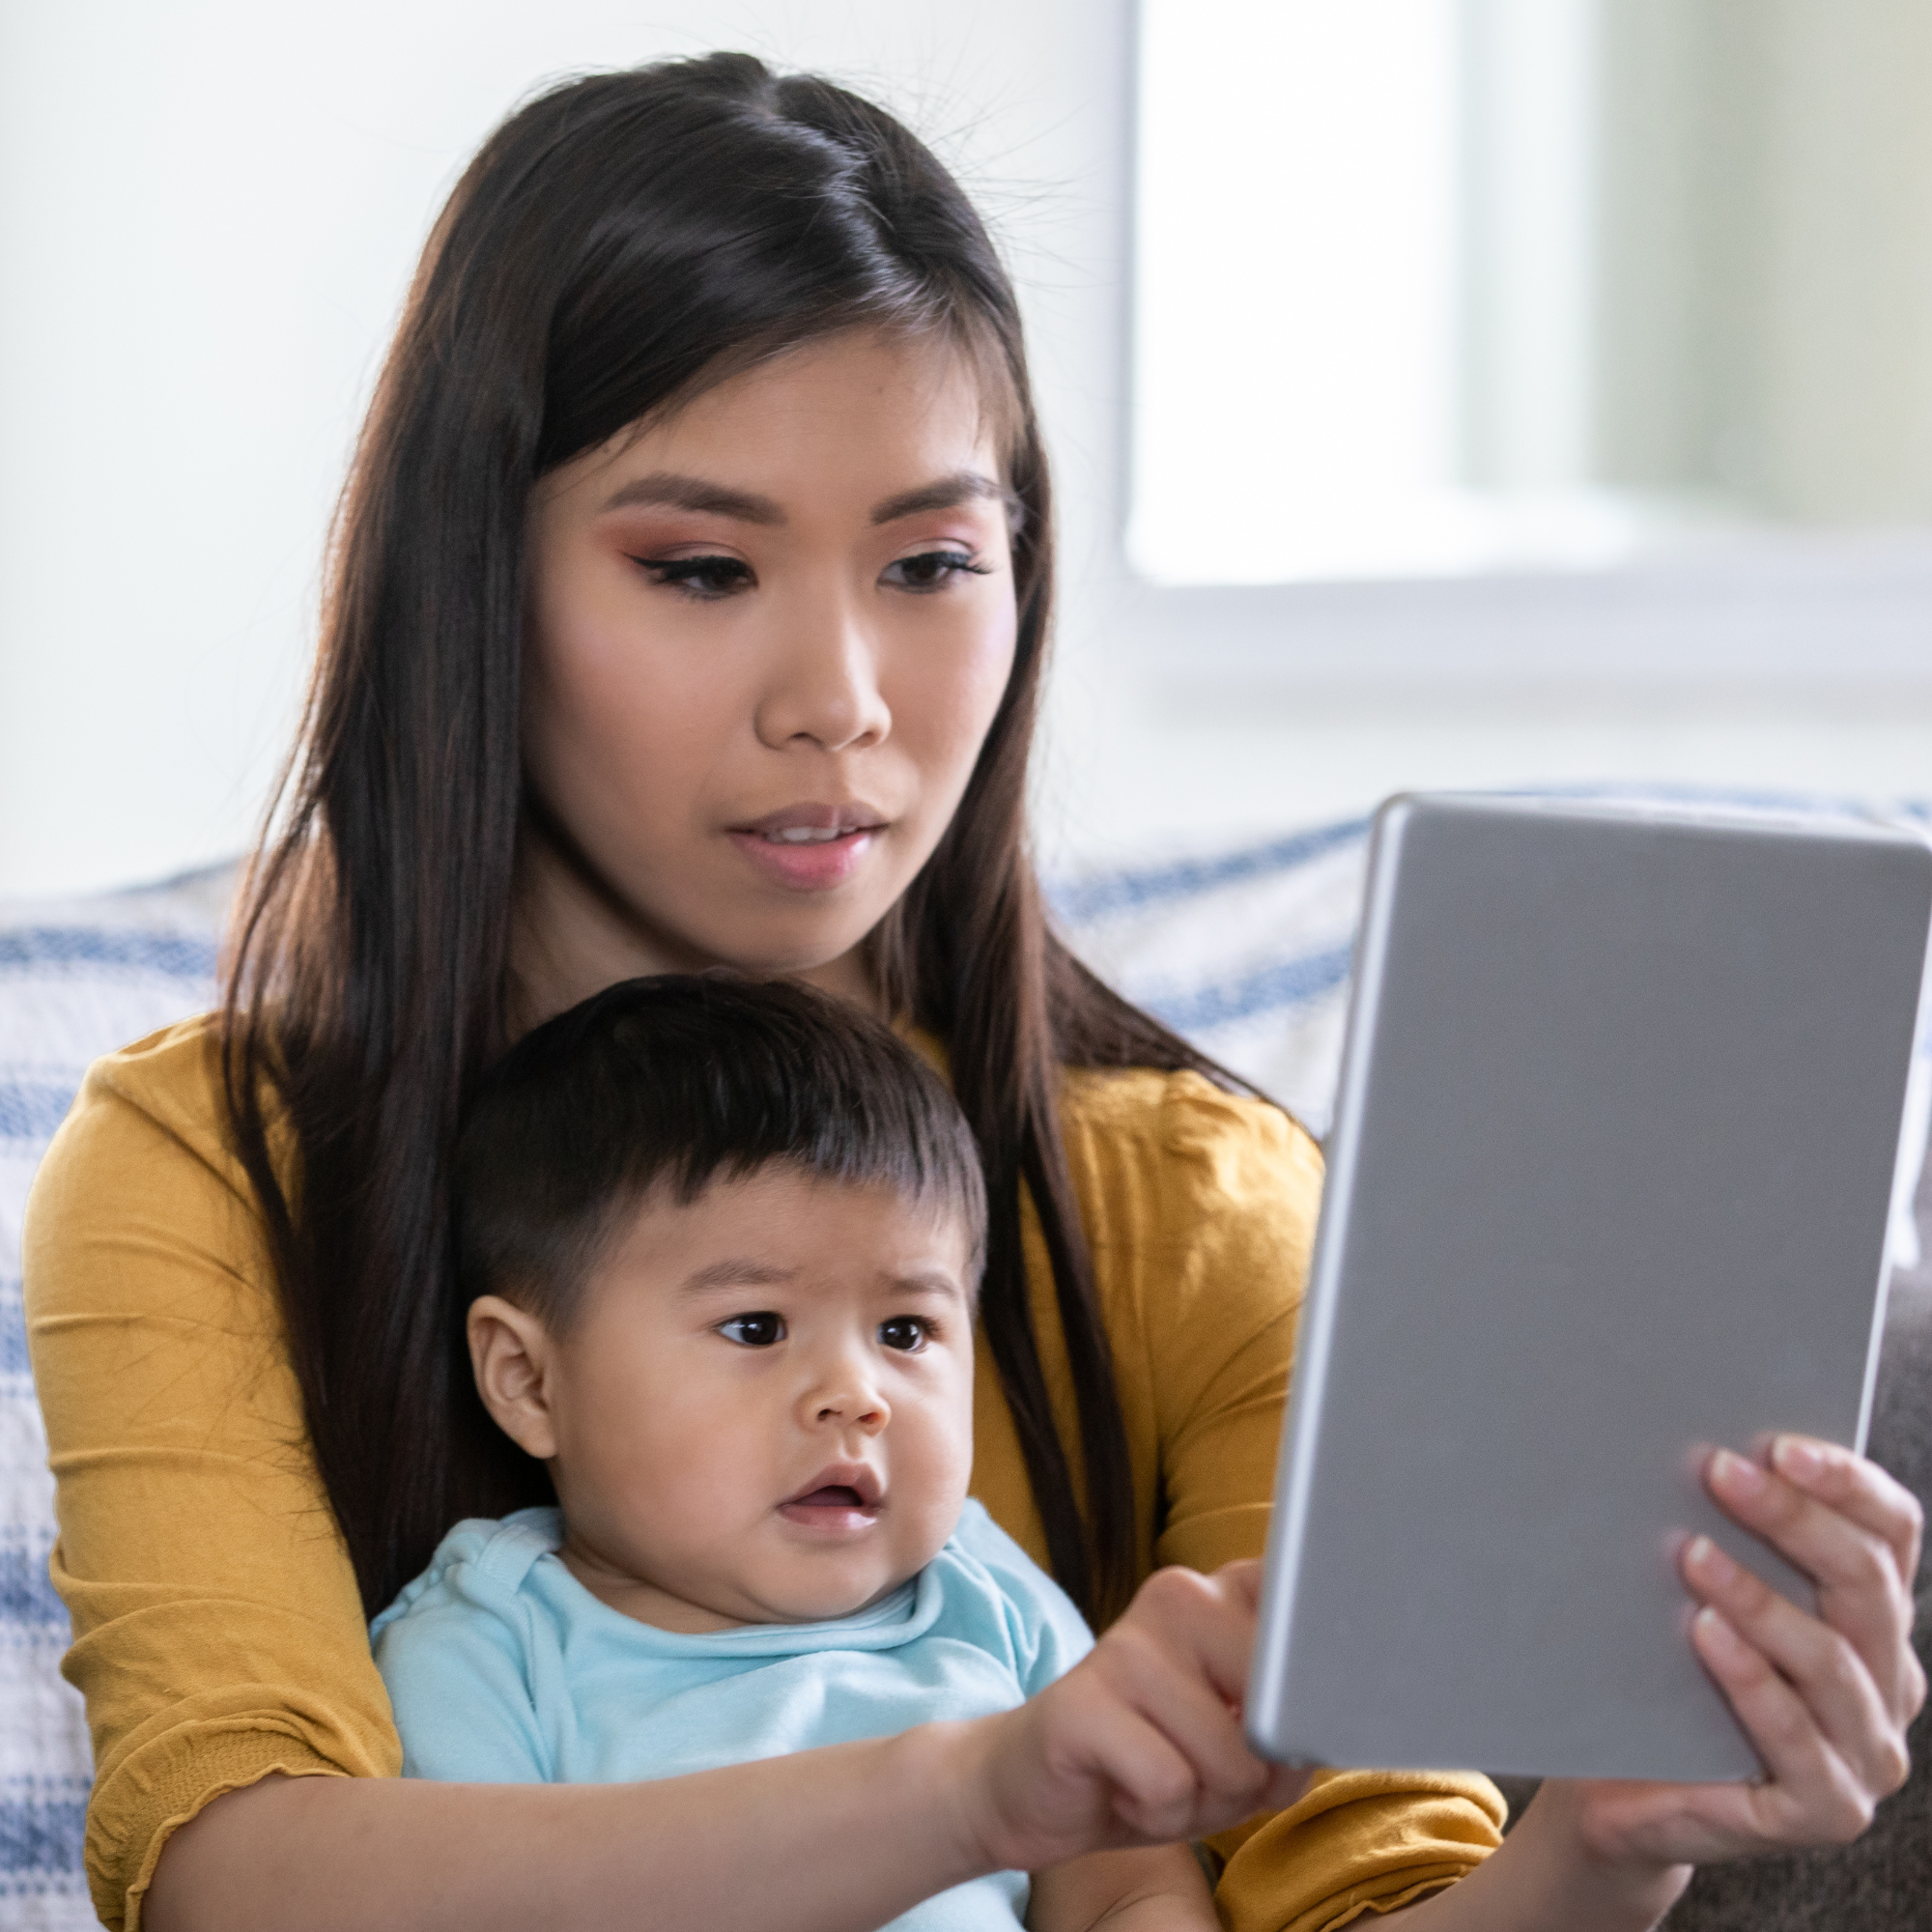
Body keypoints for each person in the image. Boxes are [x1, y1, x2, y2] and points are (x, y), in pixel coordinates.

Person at [20, 51, 1920, 1932]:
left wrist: (1607, 1845)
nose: (840, 696)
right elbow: (241, 1880)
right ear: (476, 580)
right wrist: (971, 1788)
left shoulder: (1193, 1197)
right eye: (699, 568)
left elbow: (1362, 1901)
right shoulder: (211, 1165)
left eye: (932, 559)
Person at [374, 970, 1275, 1932]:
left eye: (904, 1331)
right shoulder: (488, 1644)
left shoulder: (987, 1597)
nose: (858, 1394)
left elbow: (1127, 1886)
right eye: (756, 1326)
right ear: (527, 1378)